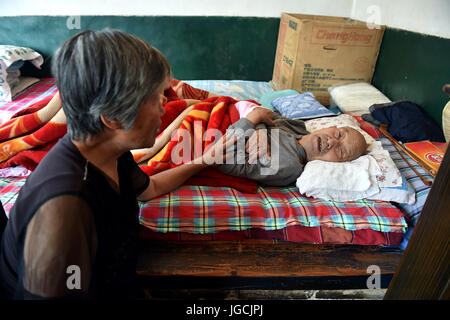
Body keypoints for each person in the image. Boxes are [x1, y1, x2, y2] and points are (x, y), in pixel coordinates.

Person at [0, 29, 234, 300]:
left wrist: (204, 160)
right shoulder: (64, 208)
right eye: (155, 96)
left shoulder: (109, 152)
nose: (164, 104)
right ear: (112, 117)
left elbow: (151, 187)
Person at [218, 106, 368, 186]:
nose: (333, 142)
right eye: (339, 134)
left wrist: (254, 119)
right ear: (332, 126)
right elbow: (264, 112)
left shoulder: (289, 166)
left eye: (341, 151)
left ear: (337, 164)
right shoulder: (298, 128)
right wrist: (260, 131)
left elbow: (221, 158)